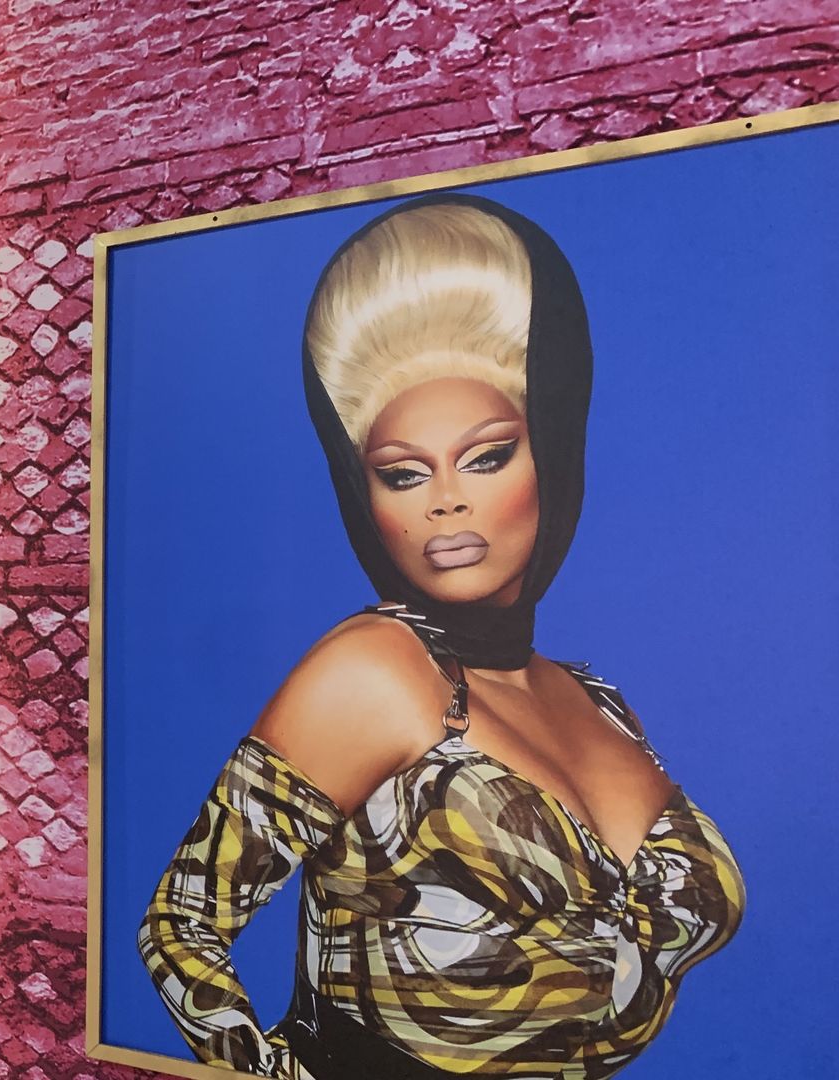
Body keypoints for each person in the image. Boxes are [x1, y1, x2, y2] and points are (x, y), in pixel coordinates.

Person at [137, 197, 744, 1079]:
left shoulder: (596, 700)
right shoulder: (375, 670)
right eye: (402, 473)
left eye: (487, 456)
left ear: (552, 461)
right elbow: (182, 928)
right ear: (367, 496)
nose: (444, 501)